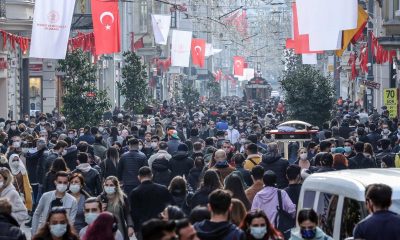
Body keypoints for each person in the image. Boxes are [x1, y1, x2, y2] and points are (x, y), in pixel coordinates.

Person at [129, 167, 173, 237]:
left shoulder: (135, 192)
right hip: (161, 226)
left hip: (143, 227)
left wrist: (136, 229)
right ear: (152, 175)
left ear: (138, 177)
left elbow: (134, 213)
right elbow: (171, 207)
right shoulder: (163, 189)